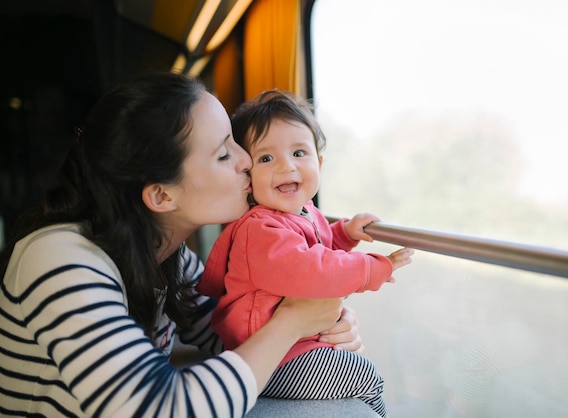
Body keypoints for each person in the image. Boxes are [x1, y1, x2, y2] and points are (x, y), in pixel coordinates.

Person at [0, 72, 365, 417]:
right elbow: (158, 409)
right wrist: (290, 323)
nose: (245, 161)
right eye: (224, 154)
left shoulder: (168, 256)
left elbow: (230, 332)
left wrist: (317, 328)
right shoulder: (59, 260)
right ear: (161, 195)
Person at [197, 89, 415, 417]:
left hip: (294, 347)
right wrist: (370, 270)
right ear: (247, 175)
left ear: (319, 162)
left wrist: (345, 233)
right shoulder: (260, 229)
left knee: (358, 371)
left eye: (299, 153)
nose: (286, 167)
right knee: (363, 376)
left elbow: (317, 248)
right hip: (268, 358)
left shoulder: (305, 212)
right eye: (266, 158)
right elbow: (309, 270)